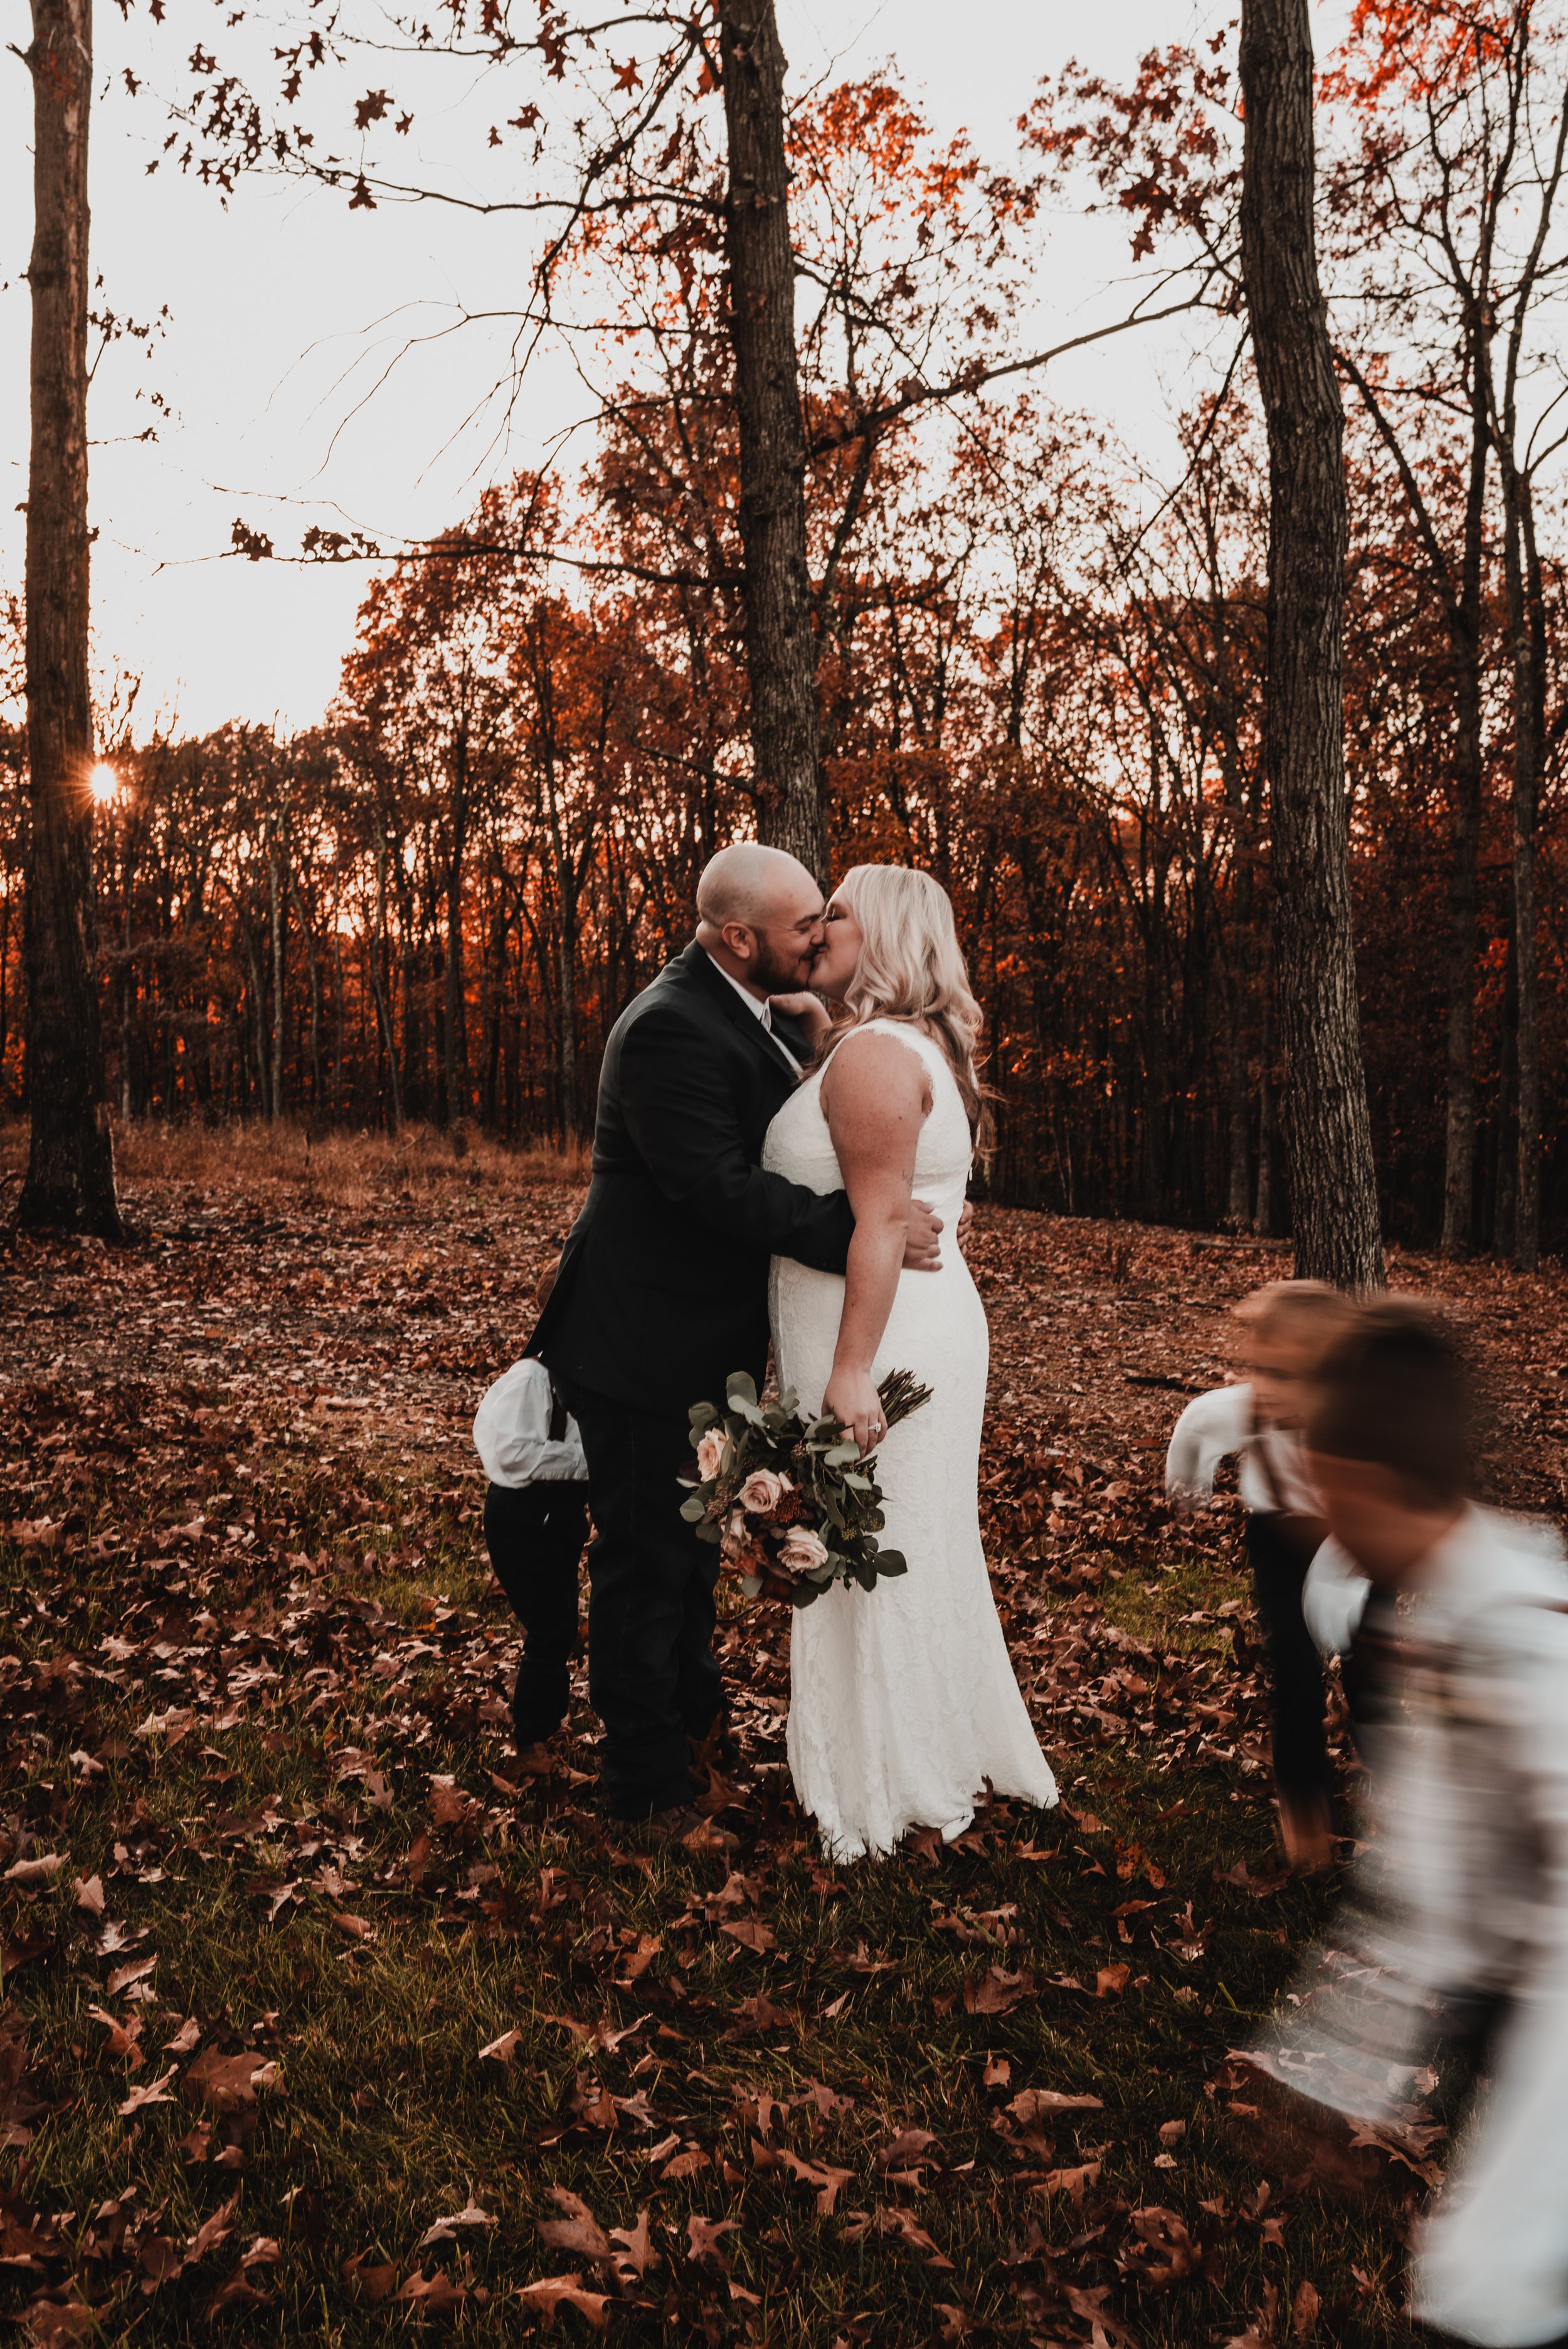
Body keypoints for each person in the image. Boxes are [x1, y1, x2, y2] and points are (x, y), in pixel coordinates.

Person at [528, 842, 948, 1848]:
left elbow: (783, 1122)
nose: (819, 936)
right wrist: (856, 1229)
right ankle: (644, 1792)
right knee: (642, 1566)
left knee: (687, 1558)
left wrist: (809, 1036)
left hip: (691, 1337)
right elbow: (715, 1188)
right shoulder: (672, 1025)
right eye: (805, 924)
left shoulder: (744, 1010)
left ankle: (692, 1734)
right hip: (636, 1339)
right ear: (738, 937)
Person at [1247, 1304, 1568, 2349]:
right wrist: (1336, 2066)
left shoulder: (1521, 1639)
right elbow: (1430, 1882)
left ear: (1380, 1486)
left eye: (1334, 1495)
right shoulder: (1440, 1615)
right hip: (1510, 1985)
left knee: (1491, 2288)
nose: (1327, 1527)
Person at [762, 862, 1057, 1861]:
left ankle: (885, 1778)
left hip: (880, 1337)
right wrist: (813, 1029)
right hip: (908, 1320)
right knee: (908, 1542)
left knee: (878, 1546)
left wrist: (850, 1371)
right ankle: (912, 1747)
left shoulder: (875, 1058)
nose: (818, 924)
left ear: (881, 933)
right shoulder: (887, 1046)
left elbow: (883, 1218)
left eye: (836, 911)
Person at [1165, 1280, 1356, 1870]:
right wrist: (1189, 1489)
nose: (1273, 1390)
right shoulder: (1242, 1409)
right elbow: (1196, 1428)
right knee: (1295, 1671)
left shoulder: (1356, 1419)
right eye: (1265, 1371)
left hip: (1353, 1542)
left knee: (1368, 1664)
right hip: (1277, 1540)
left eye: (1295, 1375)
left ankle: (1394, 1774)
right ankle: (1303, 1803)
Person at [473, 1259, 588, 1774]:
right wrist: (591, 1463)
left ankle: (549, 1723)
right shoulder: (532, 1376)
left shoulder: (582, 1372)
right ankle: (531, 1738)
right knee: (551, 1626)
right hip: (524, 1515)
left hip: (560, 1516)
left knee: (562, 1623)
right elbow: (513, 1453)